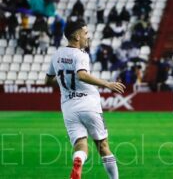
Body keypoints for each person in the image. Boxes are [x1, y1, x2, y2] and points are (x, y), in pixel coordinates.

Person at [44, 21, 124, 179]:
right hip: (89, 105)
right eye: (85, 33)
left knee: (80, 144)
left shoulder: (57, 55)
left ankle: (78, 161)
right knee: (103, 146)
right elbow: (81, 74)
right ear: (76, 36)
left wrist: (63, 80)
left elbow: (47, 81)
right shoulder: (81, 55)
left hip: (69, 108)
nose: (88, 36)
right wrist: (107, 83)